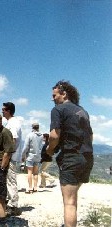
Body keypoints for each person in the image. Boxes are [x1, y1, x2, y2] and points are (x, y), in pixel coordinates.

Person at [46, 80, 94, 227]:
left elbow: (54, 136)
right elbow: (91, 136)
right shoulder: (82, 111)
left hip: (71, 157)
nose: (52, 98)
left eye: (54, 95)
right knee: (73, 197)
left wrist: (49, 150)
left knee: (70, 203)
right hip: (87, 158)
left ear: (64, 93)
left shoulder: (58, 110)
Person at [2, 102, 22, 216]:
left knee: (11, 180)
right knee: (9, 180)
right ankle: (10, 202)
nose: (2, 111)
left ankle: (13, 205)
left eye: (3, 110)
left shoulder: (13, 123)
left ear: (8, 111)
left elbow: (13, 139)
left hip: (11, 156)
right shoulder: (11, 122)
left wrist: (7, 155)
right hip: (11, 156)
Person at [21, 122, 43, 193]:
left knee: (29, 172)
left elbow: (26, 147)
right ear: (38, 127)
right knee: (36, 173)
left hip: (30, 156)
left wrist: (23, 155)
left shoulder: (29, 135)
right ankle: (35, 187)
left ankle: (30, 188)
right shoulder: (41, 136)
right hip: (38, 156)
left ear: (32, 127)